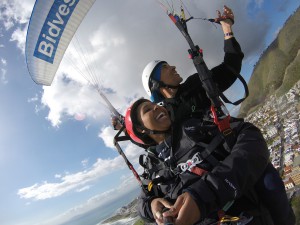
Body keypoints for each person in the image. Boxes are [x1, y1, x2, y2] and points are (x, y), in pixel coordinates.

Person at [139, 5, 295, 225]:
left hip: (232, 155)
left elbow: (230, 68)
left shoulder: (196, 85)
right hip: (203, 176)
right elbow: (153, 148)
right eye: (165, 67)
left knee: (271, 185)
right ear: (156, 84)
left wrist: (227, 30)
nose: (173, 66)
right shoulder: (163, 118)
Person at [124, 98, 295, 225]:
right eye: (147, 109)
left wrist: (205, 194)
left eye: (155, 104)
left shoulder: (195, 128)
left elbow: (251, 141)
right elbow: (142, 204)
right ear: (141, 130)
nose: (156, 106)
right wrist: (152, 205)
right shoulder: (152, 167)